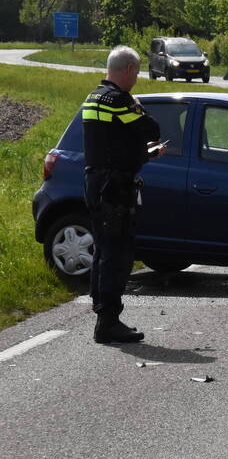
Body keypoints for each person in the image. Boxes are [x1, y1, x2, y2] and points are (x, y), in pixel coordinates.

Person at [83, 45, 165, 344]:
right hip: (115, 188)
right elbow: (151, 128)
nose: (138, 77)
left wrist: (143, 156)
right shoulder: (120, 101)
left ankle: (102, 311)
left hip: (97, 182)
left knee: (104, 250)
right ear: (128, 69)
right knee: (117, 253)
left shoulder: (93, 97)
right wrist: (138, 104)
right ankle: (108, 322)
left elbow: (114, 144)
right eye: (138, 71)